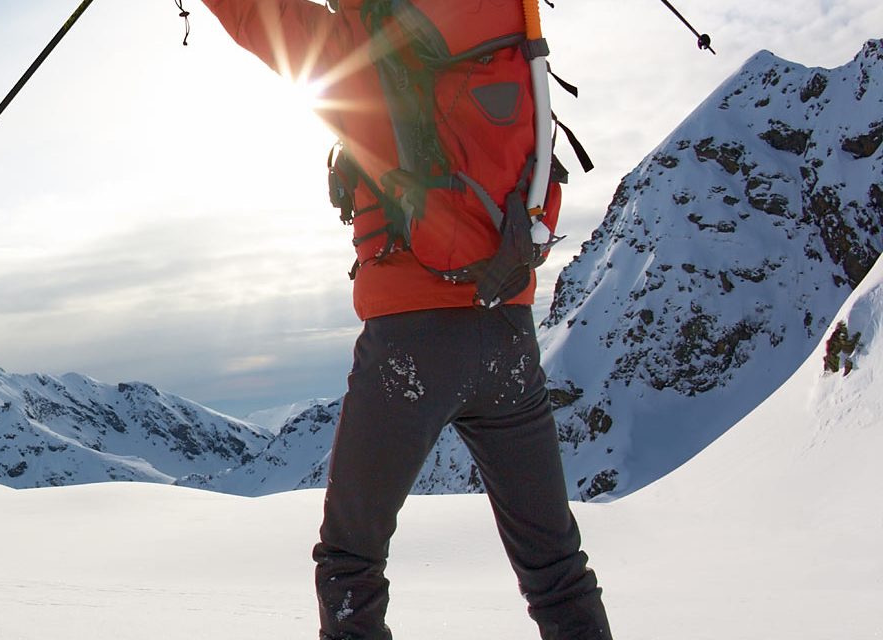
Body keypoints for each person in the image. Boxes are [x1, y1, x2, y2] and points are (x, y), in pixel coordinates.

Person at [196, 1, 613, 638]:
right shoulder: (506, 34)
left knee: (351, 560)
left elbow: (260, 13)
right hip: (509, 334)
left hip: (410, 339)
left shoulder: (360, 44)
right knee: (555, 568)